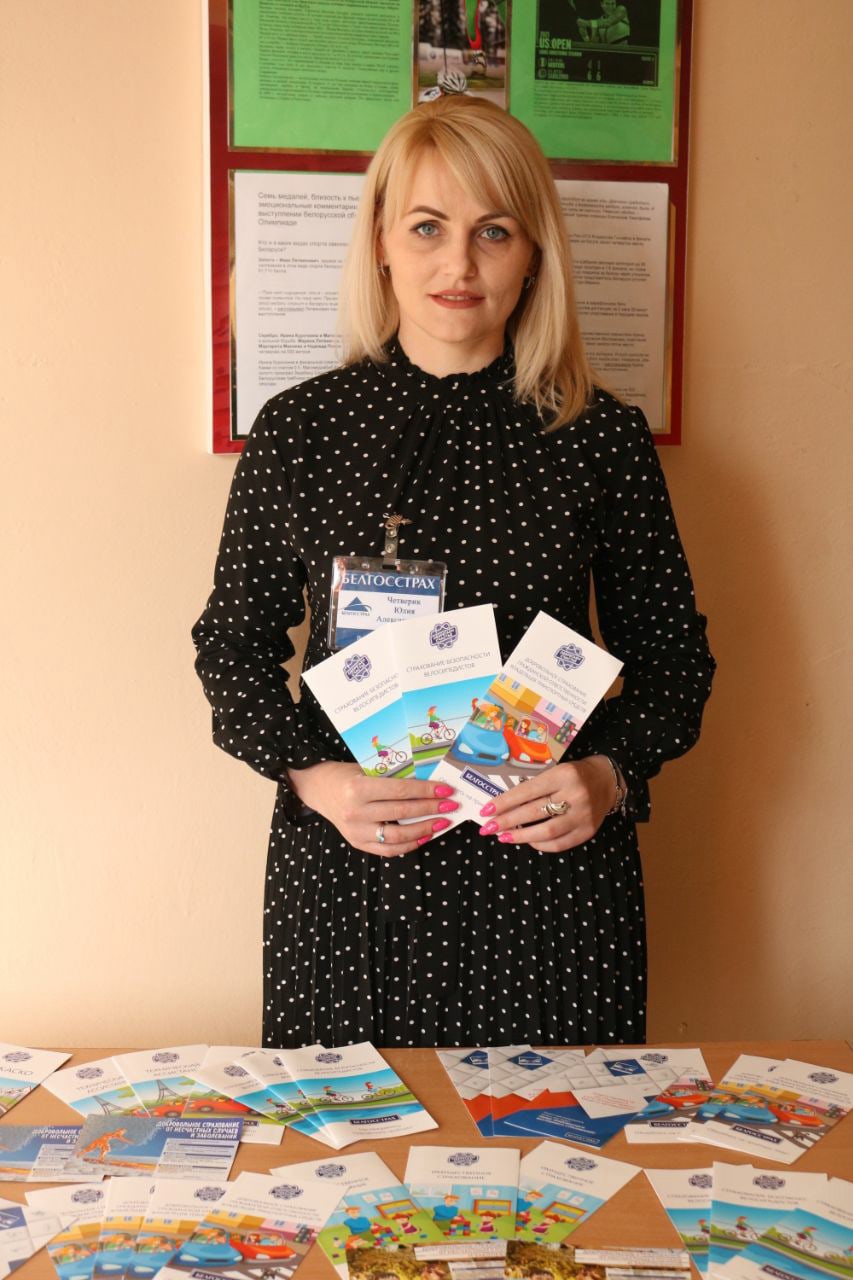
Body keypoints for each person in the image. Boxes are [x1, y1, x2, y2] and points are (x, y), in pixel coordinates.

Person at [192, 95, 714, 1049]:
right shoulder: (302, 430)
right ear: (382, 245)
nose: (459, 264)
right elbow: (230, 648)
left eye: (493, 231)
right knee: (356, 1138)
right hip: (356, 876)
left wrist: (609, 776)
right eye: (427, 227)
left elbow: (676, 661)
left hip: (550, 881)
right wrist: (313, 778)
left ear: (534, 255)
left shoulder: (599, 437)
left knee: (557, 1136)